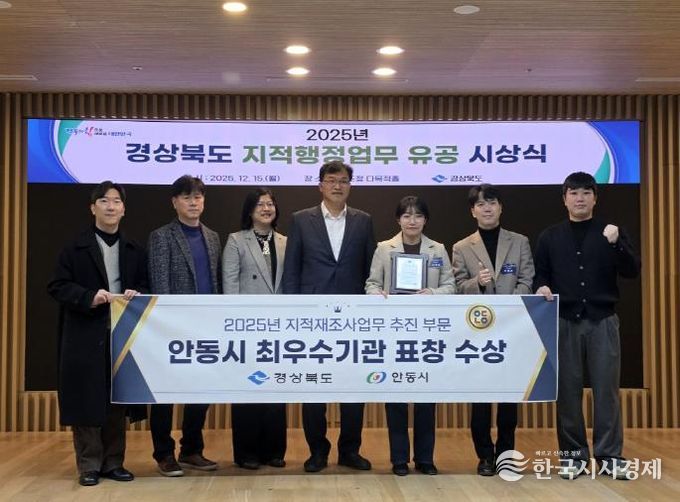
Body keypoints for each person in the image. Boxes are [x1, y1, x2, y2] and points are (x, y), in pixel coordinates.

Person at [534, 172, 640, 480]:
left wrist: (618, 244)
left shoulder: (611, 232)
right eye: (573, 193)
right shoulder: (550, 236)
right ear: (564, 199)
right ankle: (573, 457)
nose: (579, 198)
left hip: (603, 320)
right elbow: (541, 274)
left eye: (585, 192)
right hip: (565, 320)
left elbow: (632, 270)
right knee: (567, 392)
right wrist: (541, 286)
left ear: (595, 197)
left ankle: (609, 456)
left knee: (607, 391)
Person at [47, 181, 147, 486]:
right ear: (93, 208)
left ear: (124, 209)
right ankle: (89, 465)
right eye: (104, 201)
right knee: (86, 400)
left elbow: (145, 285)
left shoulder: (133, 249)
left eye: (116, 201)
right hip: (85, 333)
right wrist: (89, 297)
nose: (110, 206)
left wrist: (137, 293)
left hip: (121, 333)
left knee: (117, 398)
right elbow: (57, 286)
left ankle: (113, 462)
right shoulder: (74, 248)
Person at [282, 160, 376, 473]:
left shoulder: (363, 220)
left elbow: (370, 271)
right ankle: (317, 451)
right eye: (332, 180)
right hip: (312, 316)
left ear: (350, 185)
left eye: (344, 180)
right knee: (314, 386)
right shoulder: (300, 220)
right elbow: (292, 269)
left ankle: (350, 450)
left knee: (354, 386)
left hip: (353, 317)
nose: (338, 186)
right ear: (320, 185)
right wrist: (293, 312)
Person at [365, 195, 455, 476]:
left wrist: (433, 292)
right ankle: (399, 459)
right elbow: (371, 283)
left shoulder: (438, 249)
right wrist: (377, 294)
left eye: (417, 215)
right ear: (398, 219)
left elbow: (450, 286)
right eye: (406, 215)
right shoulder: (384, 248)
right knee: (396, 397)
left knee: (426, 397)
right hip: (394, 331)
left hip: (427, 332)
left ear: (425, 220)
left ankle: (425, 459)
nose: (412, 221)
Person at [451, 184, 534, 477]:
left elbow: (527, 280)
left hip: (513, 329)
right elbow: (457, 287)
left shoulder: (520, 241)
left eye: (492, 203)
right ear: (472, 211)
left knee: (510, 398)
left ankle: (506, 453)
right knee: (481, 398)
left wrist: (510, 306)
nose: (487, 208)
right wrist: (477, 283)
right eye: (481, 204)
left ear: (501, 207)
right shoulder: (462, 247)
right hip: (478, 332)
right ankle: (485, 456)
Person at [147, 175, 222, 477]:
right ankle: (163, 453)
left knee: (201, 391)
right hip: (172, 328)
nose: (193, 202)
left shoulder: (213, 236)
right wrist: (168, 324)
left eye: (198, 197)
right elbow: (159, 284)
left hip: (206, 326)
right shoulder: (161, 236)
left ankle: (191, 449)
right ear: (174, 202)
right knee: (165, 394)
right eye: (187, 197)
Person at [222, 188, 288, 470]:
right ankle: (246, 452)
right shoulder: (236, 240)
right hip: (247, 326)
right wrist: (236, 323)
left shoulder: (286, 241)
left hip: (280, 327)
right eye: (260, 204)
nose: (266, 208)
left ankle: (274, 451)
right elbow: (230, 285)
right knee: (247, 387)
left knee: (275, 388)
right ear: (250, 211)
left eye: (270, 204)